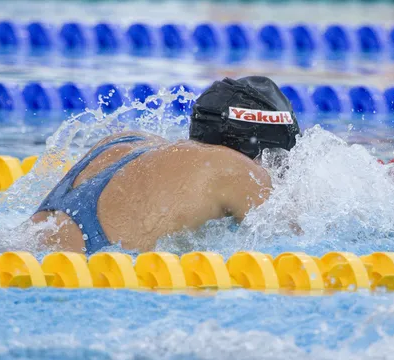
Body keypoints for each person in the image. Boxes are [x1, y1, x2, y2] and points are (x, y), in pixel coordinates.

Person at [31, 76, 300, 253]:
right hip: (85, 273)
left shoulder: (126, 141)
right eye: (280, 160)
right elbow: (293, 241)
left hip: (22, 251)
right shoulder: (238, 170)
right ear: (262, 149)